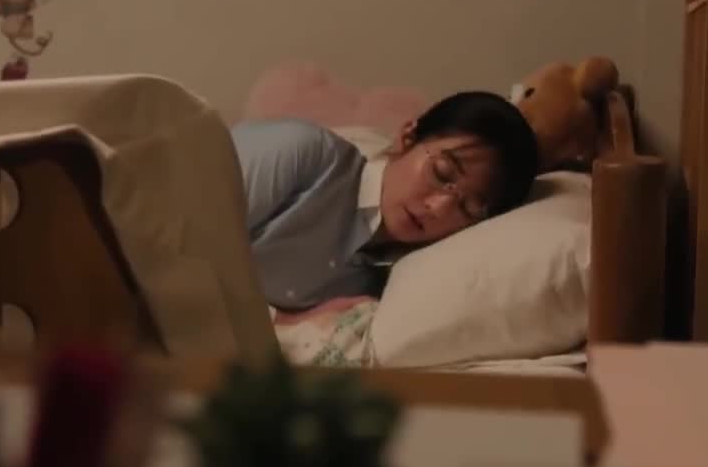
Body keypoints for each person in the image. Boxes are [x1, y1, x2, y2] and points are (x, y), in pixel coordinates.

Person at [229, 91, 540, 312]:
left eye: (467, 208)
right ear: (408, 137)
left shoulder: (383, 282)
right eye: (441, 173)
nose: (438, 207)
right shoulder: (303, 154)